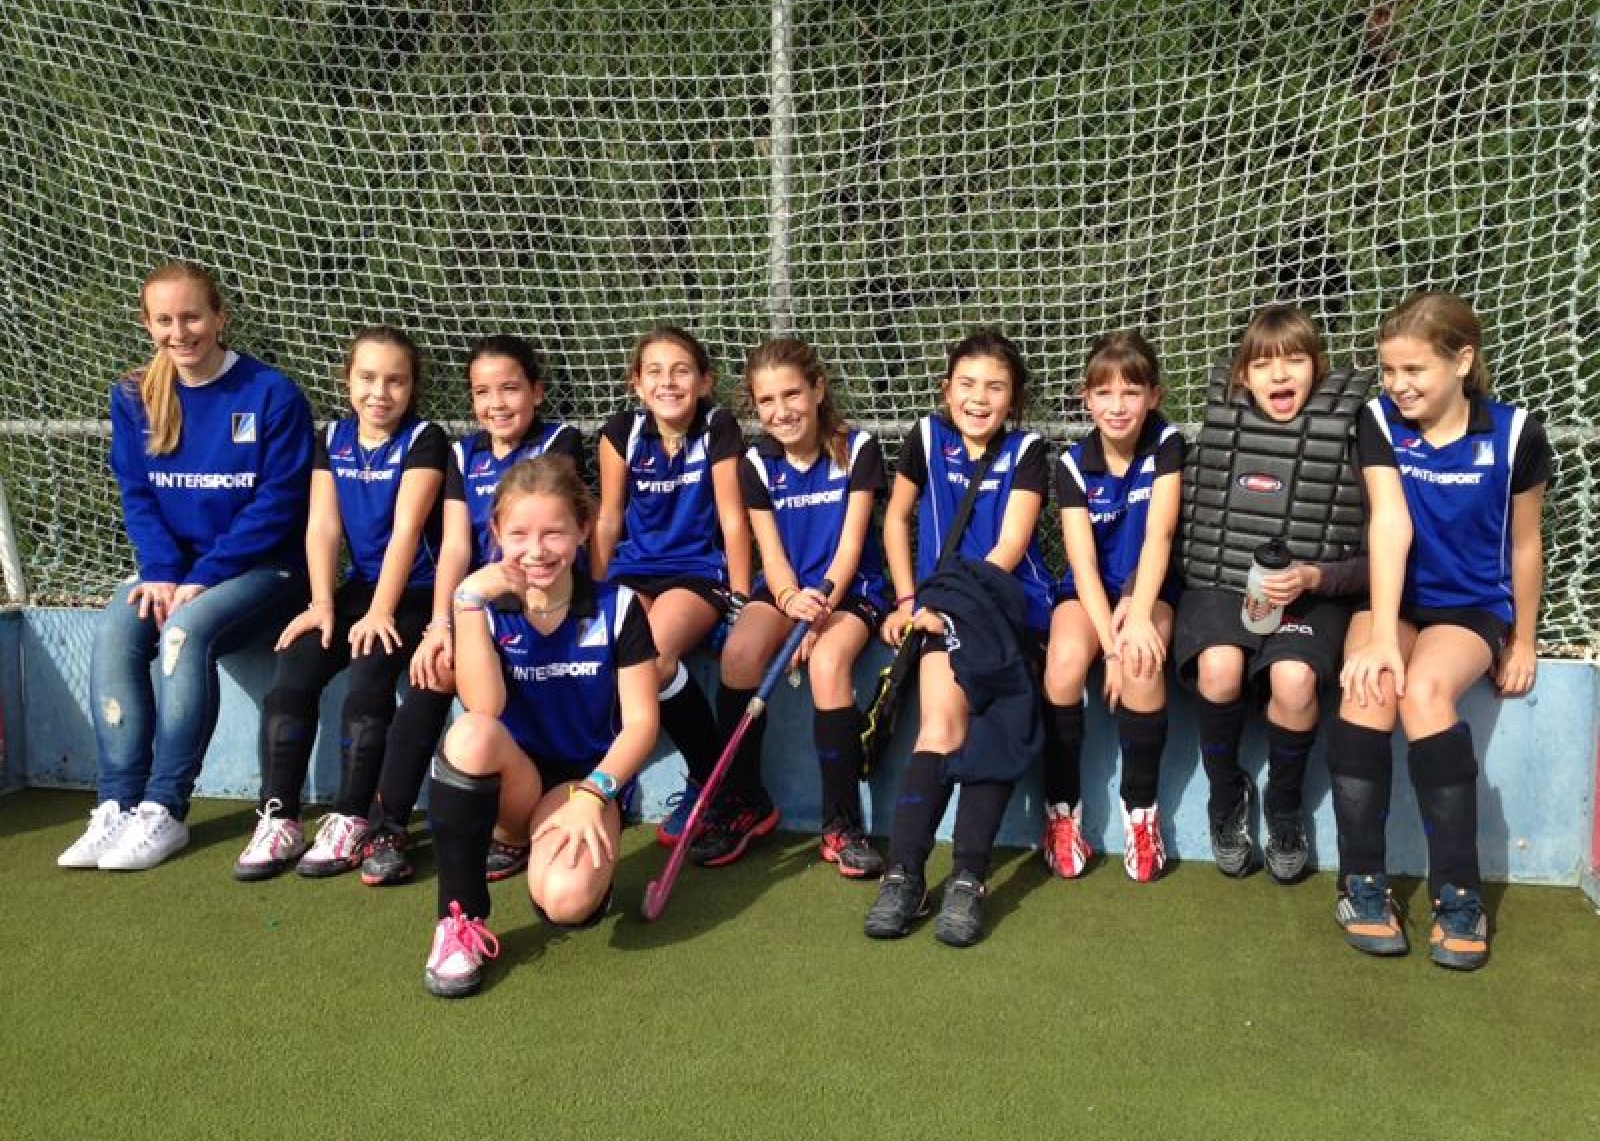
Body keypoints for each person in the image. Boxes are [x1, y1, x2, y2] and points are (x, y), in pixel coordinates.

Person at [58, 261, 313, 872]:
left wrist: (203, 577)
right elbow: (138, 496)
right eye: (165, 320)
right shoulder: (133, 396)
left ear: (220, 318)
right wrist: (162, 572)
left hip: (267, 572)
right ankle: (117, 804)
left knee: (183, 630)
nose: (180, 332)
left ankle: (164, 808)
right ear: (147, 324)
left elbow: (278, 505)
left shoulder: (271, 394)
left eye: (192, 316)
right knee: (117, 626)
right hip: (179, 572)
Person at [1334, 290, 1549, 970]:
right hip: (1394, 597)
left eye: (1414, 370)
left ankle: (1459, 894)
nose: (1397, 384)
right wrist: (1379, 635)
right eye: (1388, 369)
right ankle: (1360, 883)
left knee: (1425, 692)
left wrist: (1524, 639)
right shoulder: (1377, 420)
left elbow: (1526, 546)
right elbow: (1389, 522)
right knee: (1369, 685)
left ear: (1461, 361)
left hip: (1472, 606)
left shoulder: (1516, 434)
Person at [422, 456, 659, 997]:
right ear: (496, 532)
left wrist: (595, 793)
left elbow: (642, 723)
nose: (537, 550)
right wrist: (466, 601)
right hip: (514, 785)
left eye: (554, 532)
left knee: (567, 901)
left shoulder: (618, 606)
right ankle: (459, 921)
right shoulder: (483, 605)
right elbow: (484, 707)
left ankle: (558, 856)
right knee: (469, 735)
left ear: (582, 529)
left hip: (583, 786)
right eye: (520, 534)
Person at [359, 334, 585, 887]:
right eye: (482, 392)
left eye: (510, 388)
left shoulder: (560, 440)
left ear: (536, 391)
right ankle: (387, 827)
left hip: (541, 602)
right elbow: (457, 547)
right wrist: (441, 624)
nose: (496, 403)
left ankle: (522, 817)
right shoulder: (464, 453)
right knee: (433, 670)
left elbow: (562, 531)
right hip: (480, 604)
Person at [233, 326, 447, 880]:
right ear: (347, 380)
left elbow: (406, 531)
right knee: (295, 667)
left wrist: (381, 612)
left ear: (412, 387)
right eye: (367, 378)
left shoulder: (425, 439)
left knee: (370, 670)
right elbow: (324, 525)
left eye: (395, 380)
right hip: (359, 586)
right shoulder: (332, 437)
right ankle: (279, 817)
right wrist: (322, 602)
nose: (380, 392)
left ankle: (352, 817)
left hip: (414, 591)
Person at [864, 328, 1054, 947]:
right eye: (967, 384)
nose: (979, 398)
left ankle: (969, 877)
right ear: (946, 390)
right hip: (936, 611)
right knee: (940, 727)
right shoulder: (925, 437)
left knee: (994, 729)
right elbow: (896, 518)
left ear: (1014, 399)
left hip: (1005, 607)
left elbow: (1010, 547)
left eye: (995, 387)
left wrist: (947, 608)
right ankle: (904, 874)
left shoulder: (1028, 450)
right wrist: (908, 601)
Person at [1175, 305, 1368, 883]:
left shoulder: (1355, 436)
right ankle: (1225, 794)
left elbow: (1378, 558)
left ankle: (1284, 806)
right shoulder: (1216, 432)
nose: (1279, 374)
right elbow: (1171, 531)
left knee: (1293, 679)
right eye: (1262, 364)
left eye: (1295, 360)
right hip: (1220, 583)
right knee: (1219, 668)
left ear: (1318, 368)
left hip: (1313, 593)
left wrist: (1317, 578)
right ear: (1243, 375)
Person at [688, 337, 888, 874]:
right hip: (786, 590)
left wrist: (819, 608)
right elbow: (771, 556)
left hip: (849, 590)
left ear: (818, 389)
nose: (782, 411)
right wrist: (789, 598)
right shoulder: (756, 462)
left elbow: (850, 547)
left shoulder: (857, 449)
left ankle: (841, 824)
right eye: (767, 401)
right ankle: (745, 802)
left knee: (827, 662)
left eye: (792, 394)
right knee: (739, 655)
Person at [591, 326, 752, 847]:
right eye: (655, 372)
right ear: (637, 384)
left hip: (696, 573)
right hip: (633, 571)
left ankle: (707, 777)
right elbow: (609, 519)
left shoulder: (718, 427)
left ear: (705, 381)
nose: (668, 382)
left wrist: (741, 602)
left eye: (681, 371)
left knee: (654, 659)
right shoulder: (622, 432)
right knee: (603, 652)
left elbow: (733, 519)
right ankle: (608, 775)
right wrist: (591, 596)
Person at [1041, 331, 1182, 883]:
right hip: (1090, 593)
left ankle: (1141, 814)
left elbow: (1158, 537)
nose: (1117, 406)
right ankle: (1062, 812)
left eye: (1131, 392)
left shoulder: (1167, 444)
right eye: (1104, 393)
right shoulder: (1073, 464)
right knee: (1063, 664)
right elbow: (1081, 566)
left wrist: (1137, 621)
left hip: (1148, 588)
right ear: (1087, 399)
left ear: (1153, 396)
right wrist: (1111, 650)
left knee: (1144, 659)